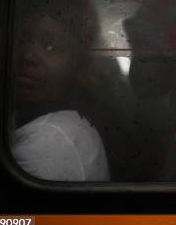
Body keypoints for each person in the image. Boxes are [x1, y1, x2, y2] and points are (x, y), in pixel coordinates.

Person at [11, 13, 111, 181]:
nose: (27, 56)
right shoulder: (71, 123)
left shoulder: (52, 141)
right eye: (22, 41)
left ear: (79, 68)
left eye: (51, 47)